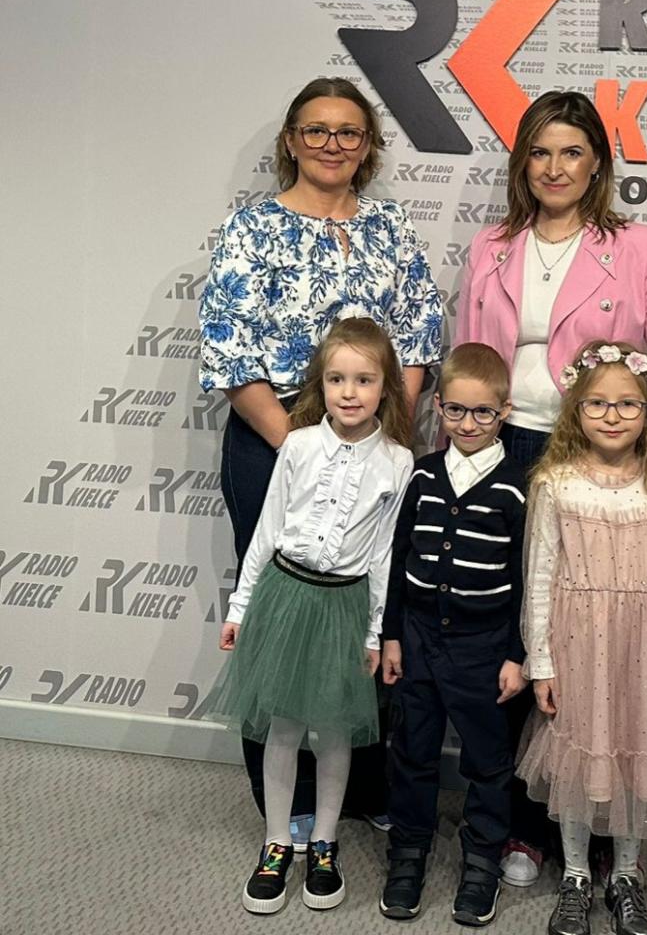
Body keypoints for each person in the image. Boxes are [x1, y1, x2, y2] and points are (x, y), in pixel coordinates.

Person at [453, 90, 647, 885]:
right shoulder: (491, 245)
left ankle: (600, 823)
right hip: (501, 449)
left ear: (597, 162)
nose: (554, 167)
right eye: (539, 151)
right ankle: (521, 825)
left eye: (571, 151)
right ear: (521, 163)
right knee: (514, 634)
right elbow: (467, 361)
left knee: (592, 641)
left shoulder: (634, 248)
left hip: (589, 451)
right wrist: (447, 467)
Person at [199, 76, 442, 833]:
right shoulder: (251, 227)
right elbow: (230, 348)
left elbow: (420, 331)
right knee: (279, 615)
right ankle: (287, 802)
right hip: (274, 439)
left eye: (348, 132)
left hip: (375, 446)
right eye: (316, 129)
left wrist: (387, 437)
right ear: (290, 140)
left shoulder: (389, 226)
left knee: (362, 613)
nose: (332, 144)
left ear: (367, 146)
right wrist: (299, 446)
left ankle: (360, 787)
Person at [208, 318, 415, 914]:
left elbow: (384, 556)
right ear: (318, 384)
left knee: (334, 729)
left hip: (344, 605)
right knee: (284, 726)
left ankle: (324, 842)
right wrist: (241, 607)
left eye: (364, 380)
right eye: (336, 379)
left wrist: (375, 632)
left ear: (386, 386)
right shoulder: (297, 445)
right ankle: (277, 841)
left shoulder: (398, 462)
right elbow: (266, 530)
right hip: (284, 596)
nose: (349, 392)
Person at [517, 341, 647, 935]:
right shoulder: (557, 483)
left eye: (627, 404)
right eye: (597, 403)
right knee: (580, 758)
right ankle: (575, 875)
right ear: (576, 409)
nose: (612, 416)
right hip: (578, 644)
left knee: (638, 756)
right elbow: (540, 575)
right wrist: (541, 660)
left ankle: (627, 875)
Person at [379, 343, 528, 928]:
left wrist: (516, 655)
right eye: (456, 411)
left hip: (483, 646)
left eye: (483, 412)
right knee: (412, 749)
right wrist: (392, 635)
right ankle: (408, 852)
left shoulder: (517, 486)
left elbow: (525, 580)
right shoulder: (422, 475)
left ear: (505, 411)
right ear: (438, 407)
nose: (468, 424)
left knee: (488, 760)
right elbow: (398, 559)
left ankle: (482, 860)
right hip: (418, 639)